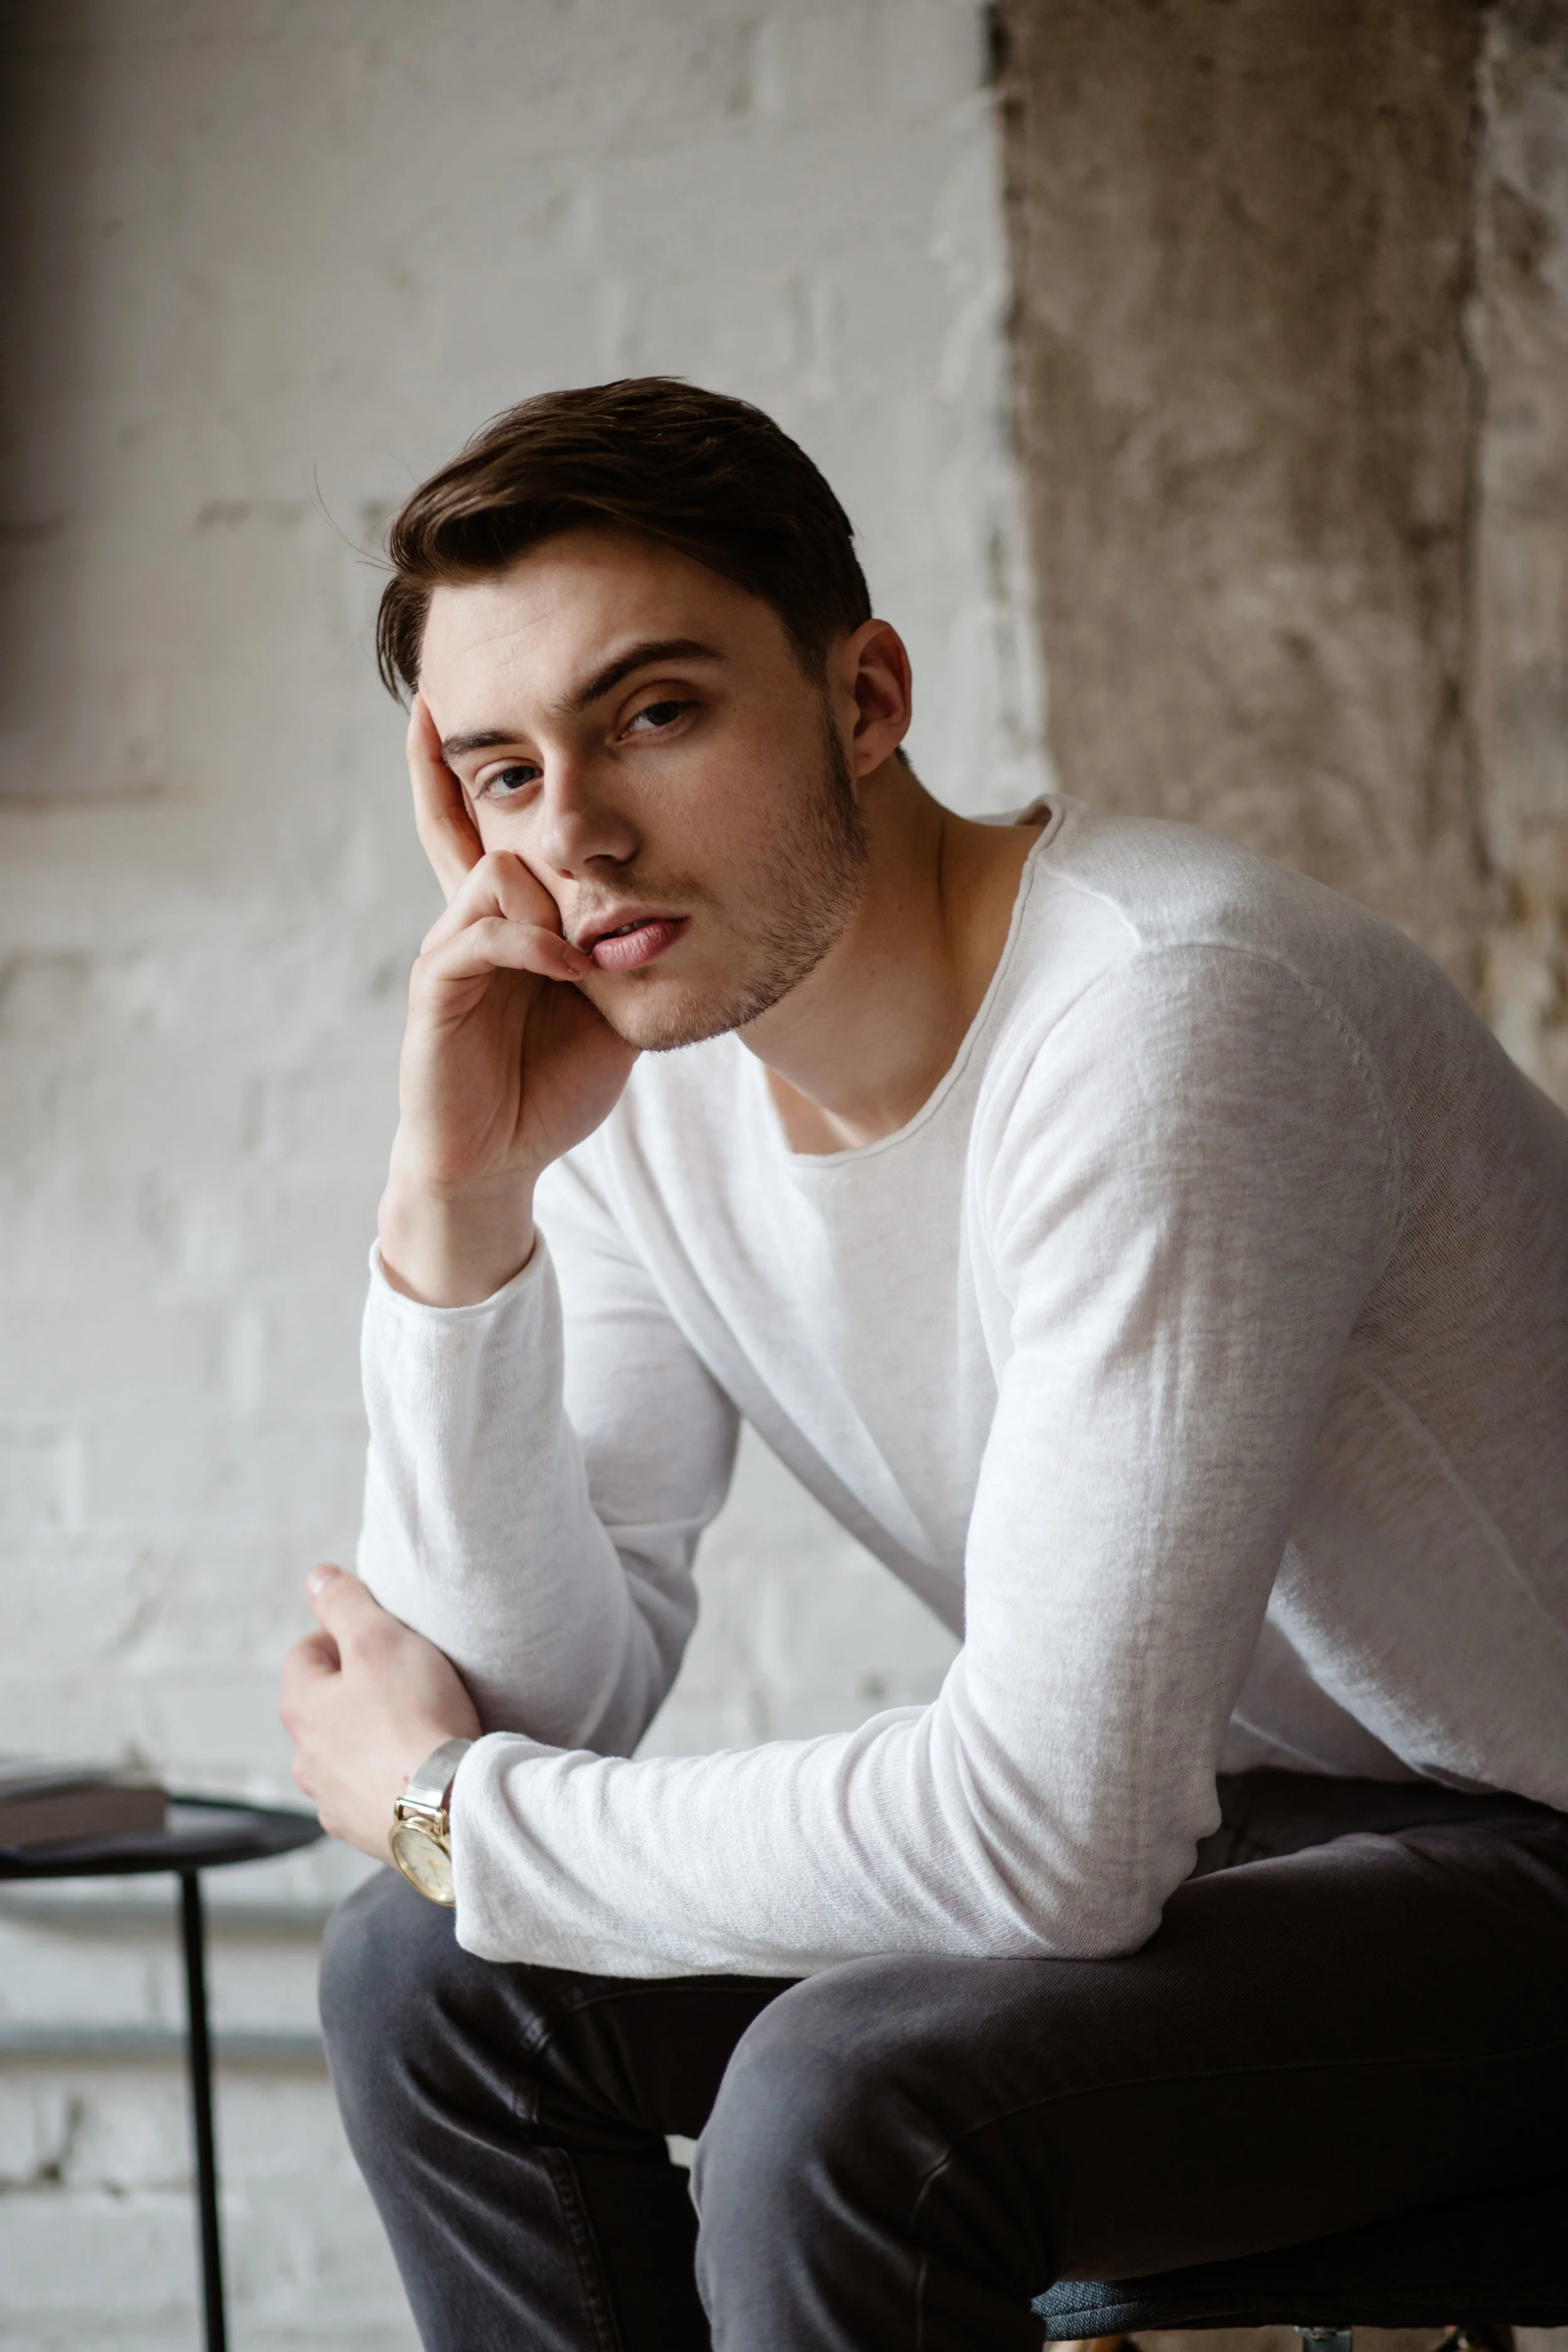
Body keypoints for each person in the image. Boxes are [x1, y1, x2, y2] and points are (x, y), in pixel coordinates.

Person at [278, 377, 1568, 2352]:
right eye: (505, 773)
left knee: (845, 2101)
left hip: (1523, 1847)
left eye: (652, 714)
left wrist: (455, 1810)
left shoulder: (1168, 1018)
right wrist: (459, 1207)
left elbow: (1047, 1836)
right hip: (1249, 1833)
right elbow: (529, 1715)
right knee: (428, 1981)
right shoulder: (638, 1068)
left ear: (865, 696)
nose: (582, 836)